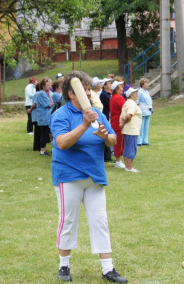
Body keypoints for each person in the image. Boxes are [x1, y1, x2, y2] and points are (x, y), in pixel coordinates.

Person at [50, 70, 127, 283]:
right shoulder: (60, 115)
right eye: (82, 90)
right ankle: (64, 266)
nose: (87, 93)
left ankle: (108, 269)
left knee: (100, 221)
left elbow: (111, 139)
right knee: (68, 220)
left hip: (94, 176)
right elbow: (62, 143)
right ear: (71, 94)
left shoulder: (97, 113)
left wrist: (105, 136)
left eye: (88, 89)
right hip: (69, 175)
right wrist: (84, 124)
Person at [120, 88, 142, 172]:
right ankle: (129, 167)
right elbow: (129, 115)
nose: (137, 95)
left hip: (127, 130)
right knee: (131, 148)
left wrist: (122, 123)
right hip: (132, 129)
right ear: (131, 95)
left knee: (127, 147)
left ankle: (127, 166)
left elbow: (122, 116)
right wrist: (124, 123)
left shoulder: (126, 103)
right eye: (136, 94)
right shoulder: (132, 104)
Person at [109, 80, 126, 168]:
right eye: (121, 87)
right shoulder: (118, 98)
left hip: (115, 122)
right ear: (117, 89)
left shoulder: (113, 97)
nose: (122, 88)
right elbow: (125, 107)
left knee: (119, 141)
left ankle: (119, 160)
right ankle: (118, 161)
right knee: (119, 142)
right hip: (118, 122)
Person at [36, 77, 53, 156]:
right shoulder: (42, 93)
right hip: (44, 118)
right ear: (42, 86)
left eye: (50, 85)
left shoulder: (44, 93)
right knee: (44, 134)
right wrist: (49, 95)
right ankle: (42, 150)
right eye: (47, 85)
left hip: (46, 117)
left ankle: (46, 149)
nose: (49, 87)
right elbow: (50, 104)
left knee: (47, 133)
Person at [100, 78, 113, 162]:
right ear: (104, 85)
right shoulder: (104, 94)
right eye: (108, 83)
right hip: (105, 116)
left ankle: (109, 155)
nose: (110, 85)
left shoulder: (108, 94)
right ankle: (107, 156)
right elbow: (110, 102)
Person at [137, 78, 153, 146]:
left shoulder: (147, 92)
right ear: (142, 84)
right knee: (141, 126)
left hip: (148, 111)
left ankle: (145, 140)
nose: (148, 84)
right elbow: (137, 102)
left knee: (146, 127)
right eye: (146, 83)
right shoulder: (139, 92)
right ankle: (139, 141)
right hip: (142, 111)